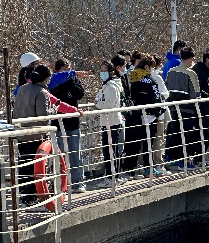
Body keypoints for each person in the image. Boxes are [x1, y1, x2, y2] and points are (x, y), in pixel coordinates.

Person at [13, 64, 80, 206]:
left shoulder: (22, 89)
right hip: (36, 136)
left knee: (24, 165)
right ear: (46, 78)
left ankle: (25, 197)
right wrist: (54, 109)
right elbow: (43, 116)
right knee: (35, 168)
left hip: (21, 134)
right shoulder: (41, 92)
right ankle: (32, 198)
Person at [49, 59, 87, 193]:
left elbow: (80, 93)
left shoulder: (73, 78)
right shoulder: (52, 81)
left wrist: (71, 81)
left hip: (73, 122)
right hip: (57, 122)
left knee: (75, 153)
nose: (67, 71)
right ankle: (62, 184)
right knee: (60, 155)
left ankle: (78, 182)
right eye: (64, 68)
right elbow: (55, 98)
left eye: (68, 68)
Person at [128, 53, 166, 177]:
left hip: (137, 114)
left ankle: (135, 168)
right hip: (150, 114)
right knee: (149, 143)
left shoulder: (133, 77)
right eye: (152, 67)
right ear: (146, 67)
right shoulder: (149, 80)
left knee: (139, 142)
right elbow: (155, 97)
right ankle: (149, 167)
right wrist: (158, 111)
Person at [165, 47, 202, 170]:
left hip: (173, 108)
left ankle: (171, 158)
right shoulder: (191, 73)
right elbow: (195, 94)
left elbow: (166, 89)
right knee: (186, 135)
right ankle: (183, 161)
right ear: (190, 59)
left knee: (174, 133)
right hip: (187, 108)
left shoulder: (171, 71)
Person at [95, 60, 125, 187]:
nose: (102, 73)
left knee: (111, 152)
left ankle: (112, 178)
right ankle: (113, 177)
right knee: (109, 152)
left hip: (112, 122)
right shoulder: (106, 85)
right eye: (101, 70)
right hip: (107, 122)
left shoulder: (112, 86)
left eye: (104, 70)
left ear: (111, 72)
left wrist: (97, 104)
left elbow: (109, 104)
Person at [150, 54, 172, 174]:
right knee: (159, 139)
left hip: (147, 114)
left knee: (148, 140)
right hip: (159, 113)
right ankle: (158, 164)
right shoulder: (156, 77)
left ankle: (148, 165)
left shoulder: (142, 77)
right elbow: (165, 93)